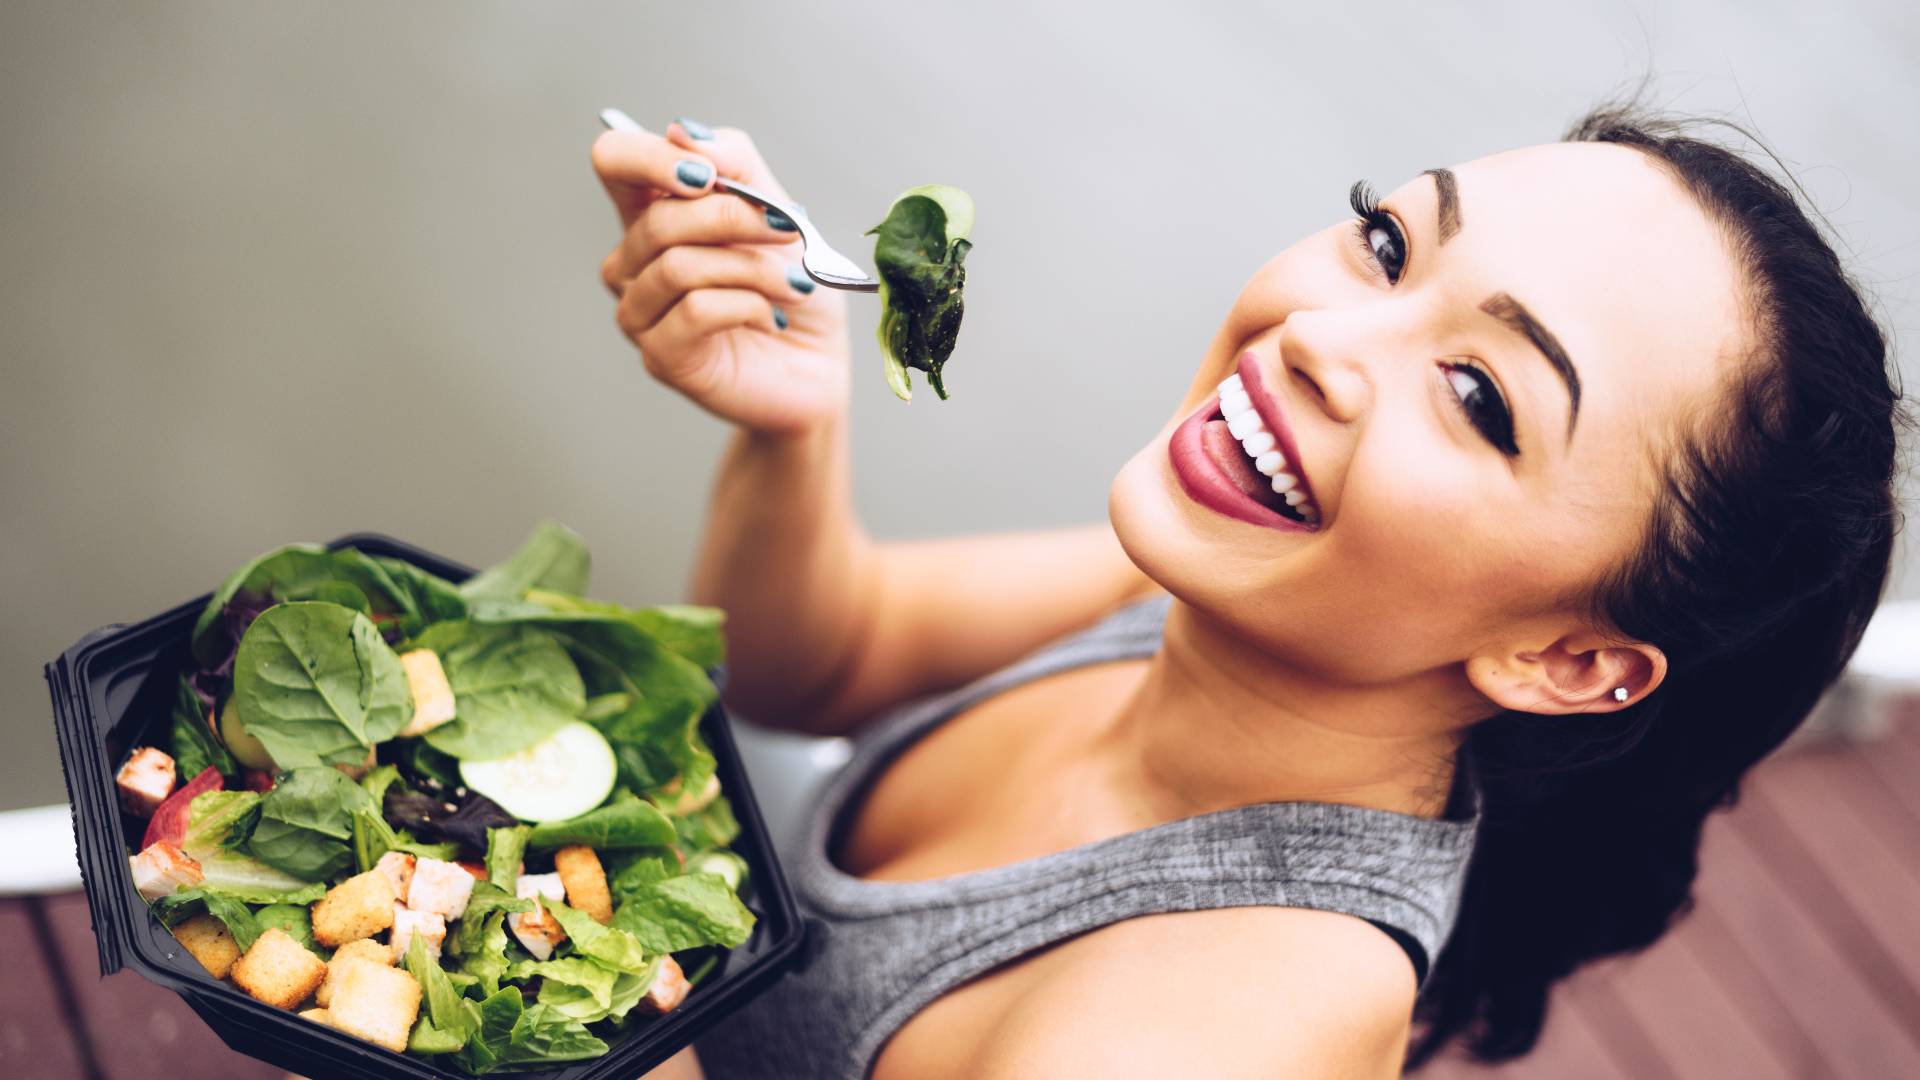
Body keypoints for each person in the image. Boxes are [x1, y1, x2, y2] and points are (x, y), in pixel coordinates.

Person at [589, 96, 1905, 1078]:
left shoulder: (1226, 1026)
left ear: (1568, 658)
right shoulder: (1228, 592)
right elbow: (810, 666)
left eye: (1477, 397)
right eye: (1390, 243)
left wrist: (547, 968)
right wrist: (793, 424)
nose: (1323, 339)